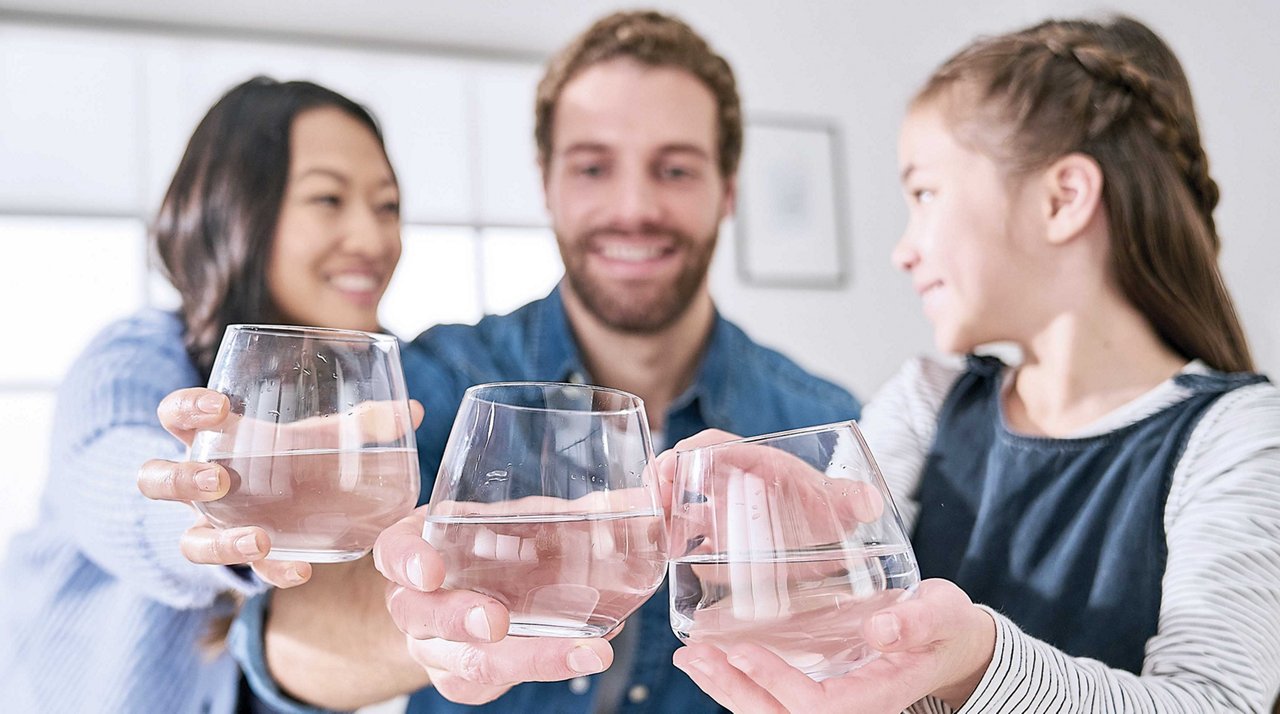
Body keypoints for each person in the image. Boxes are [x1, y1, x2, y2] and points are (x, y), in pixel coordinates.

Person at [141, 10, 861, 714]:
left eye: (675, 169)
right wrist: (431, 628)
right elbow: (286, 643)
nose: (634, 207)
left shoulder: (820, 428)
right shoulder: (440, 383)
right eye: (593, 167)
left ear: (728, 189)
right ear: (546, 183)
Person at [668, 15, 1280, 713]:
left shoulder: (1238, 437)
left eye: (924, 193)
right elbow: (839, 636)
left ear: (1063, 199)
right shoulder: (926, 400)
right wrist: (798, 532)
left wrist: (976, 667)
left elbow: (1216, 702)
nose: (903, 251)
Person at [0, 76, 405, 713]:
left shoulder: (372, 384)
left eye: (387, 206)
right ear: (235, 211)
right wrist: (209, 497)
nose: (373, 238)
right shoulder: (134, 353)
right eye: (328, 198)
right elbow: (112, 474)